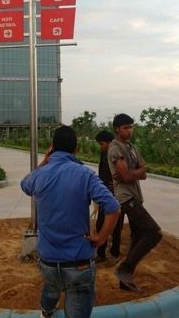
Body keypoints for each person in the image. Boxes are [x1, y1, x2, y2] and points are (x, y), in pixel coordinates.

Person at [21, 125, 120, 318]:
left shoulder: (40, 174)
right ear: (75, 149)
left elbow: (25, 185)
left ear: (52, 148)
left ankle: (47, 312)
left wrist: (44, 161)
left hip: (48, 260)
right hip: (78, 262)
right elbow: (113, 207)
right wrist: (101, 238)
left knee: (51, 287)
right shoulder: (86, 174)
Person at [107, 113, 162, 292]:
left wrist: (134, 172)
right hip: (126, 198)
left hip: (136, 196)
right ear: (117, 129)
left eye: (131, 127)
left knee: (137, 237)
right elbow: (125, 175)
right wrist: (133, 172)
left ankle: (125, 282)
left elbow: (144, 172)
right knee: (154, 232)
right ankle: (125, 268)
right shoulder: (115, 148)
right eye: (125, 127)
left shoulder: (131, 147)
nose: (129, 130)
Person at [94, 130, 123, 266]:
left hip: (117, 195)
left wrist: (117, 184)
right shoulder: (103, 154)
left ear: (109, 142)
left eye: (102, 144)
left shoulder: (118, 154)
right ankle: (100, 253)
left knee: (117, 225)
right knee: (101, 223)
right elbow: (102, 173)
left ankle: (115, 253)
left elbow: (125, 172)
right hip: (104, 194)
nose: (101, 146)